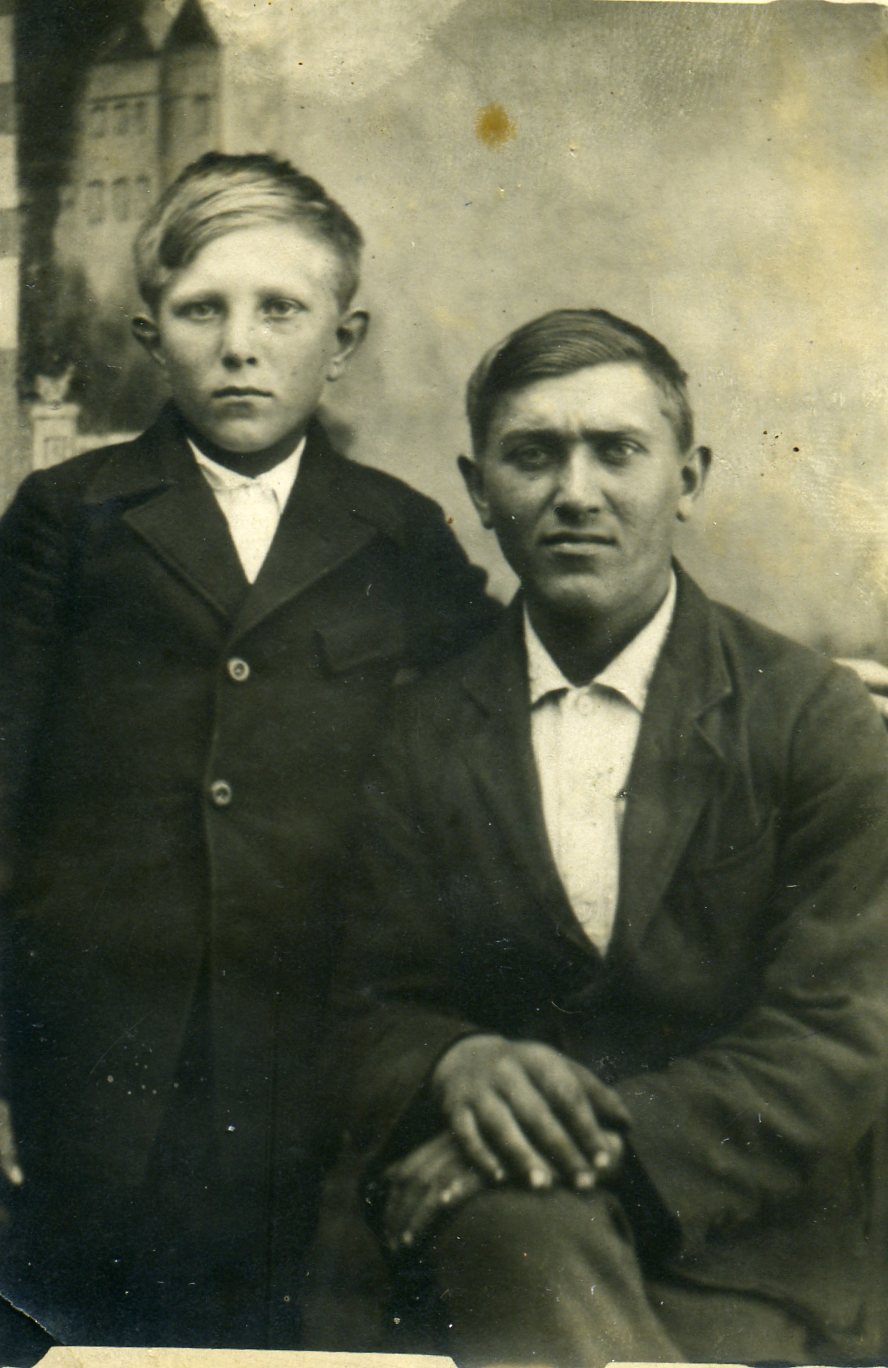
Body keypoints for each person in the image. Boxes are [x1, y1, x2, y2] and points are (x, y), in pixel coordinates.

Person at [0, 151, 496, 1350]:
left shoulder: (399, 535)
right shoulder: (68, 520)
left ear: (344, 338)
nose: (239, 346)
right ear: (148, 335)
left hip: (310, 1067)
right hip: (92, 1063)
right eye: (201, 310)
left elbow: (497, 734)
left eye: (280, 309)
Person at [329, 308, 888, 1366]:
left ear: (689, 478)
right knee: (510, 1235)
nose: (575, 493)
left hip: (742, 1259)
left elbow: (838, 1035)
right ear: (479, 489)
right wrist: (453, 1061)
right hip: (469, 1254)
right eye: (534, 455)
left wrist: (565, 1155)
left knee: (519, 1225)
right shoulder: (418, 729)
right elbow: (365, 999)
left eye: (617, 451)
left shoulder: (810, 718)